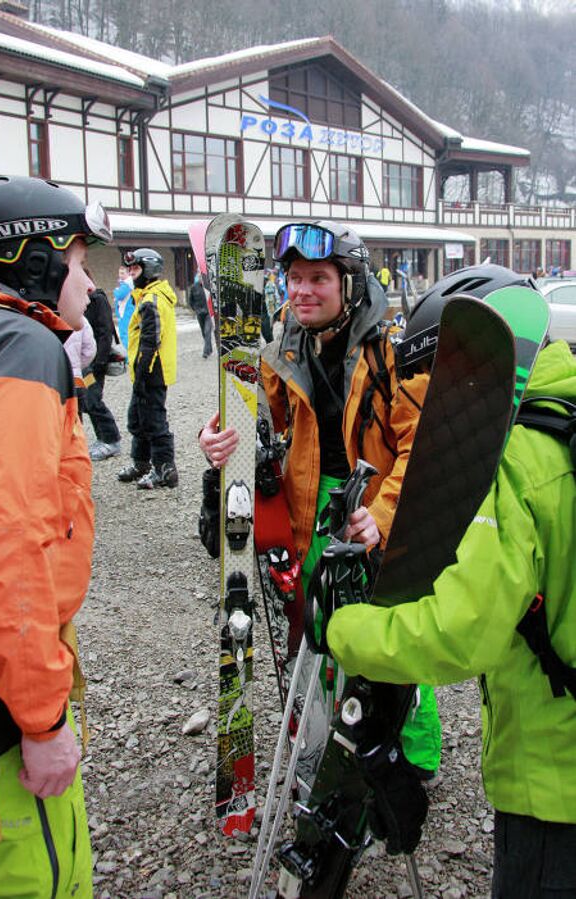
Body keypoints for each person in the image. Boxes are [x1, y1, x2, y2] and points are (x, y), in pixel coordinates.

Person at [326, 264, 576, 898]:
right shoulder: (566, 415)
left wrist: (347, 628)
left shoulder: (522, 458)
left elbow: (463, 632)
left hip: (554, 778)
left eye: (442, 383)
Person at [199, 220, 442, 780]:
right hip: (311, 506)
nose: (302, 290)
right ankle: (334, 736)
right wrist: (219, 437)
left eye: (317, 279)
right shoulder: (289, 338)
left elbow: (421, 446)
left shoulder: (394, 351)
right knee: (318, 626)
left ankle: (412, 757)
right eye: (293, 278)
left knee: (390, 637)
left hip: (374, 511)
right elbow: (263, 414)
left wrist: (381, 518)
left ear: (349, 285)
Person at [0, 174, 112, 896]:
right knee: (38, 876)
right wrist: (40, 715)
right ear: (32, 258)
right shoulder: (19, 349)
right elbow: (3, 549)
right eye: (79, 263)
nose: (90, 286)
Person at [117, 248, 179, 490]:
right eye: (131, 269)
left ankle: (165, 469)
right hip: (147, 371)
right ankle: (141, 463)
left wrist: (142, 374)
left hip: (153, 371)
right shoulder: (147, 296)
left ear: (149, 270)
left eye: (136, 269)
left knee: (154, 421)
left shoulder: (152, 300)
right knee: (138, 419)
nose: (132, 274)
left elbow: (150, 340)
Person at [84, 286, 122, 461]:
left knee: (93, 400)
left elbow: (105, 332)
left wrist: (99, 361)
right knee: (85, 402)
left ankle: (111, 439)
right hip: (84, 360)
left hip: (96, 361)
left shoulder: (97, 299)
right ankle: (102, 438)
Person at [64, 316, 97, 419]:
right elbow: (89, 351)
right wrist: (76, 367)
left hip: (47, 381)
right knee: (75, 420)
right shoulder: (79, 318)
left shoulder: (36, 314)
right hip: (76, 379)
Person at [188, 270, 213, 358]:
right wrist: (195, 309)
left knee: (207, 331)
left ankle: (205, 352)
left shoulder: (209, 287)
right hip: (199, 313)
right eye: (201, 278)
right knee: (204, 332)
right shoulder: (194, 287)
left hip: (208, 313)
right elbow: (190, 301)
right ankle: (209, 349)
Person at [113, 264, 135, 358]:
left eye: (122, 273)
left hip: (126, 313)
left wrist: (115, 290)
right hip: (127, 312)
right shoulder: (127, 283)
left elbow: (119, 295)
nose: (120, 275)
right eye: (119, 273)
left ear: (128, 273)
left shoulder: (126, 285)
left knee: (125, 335)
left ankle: (129, 355)